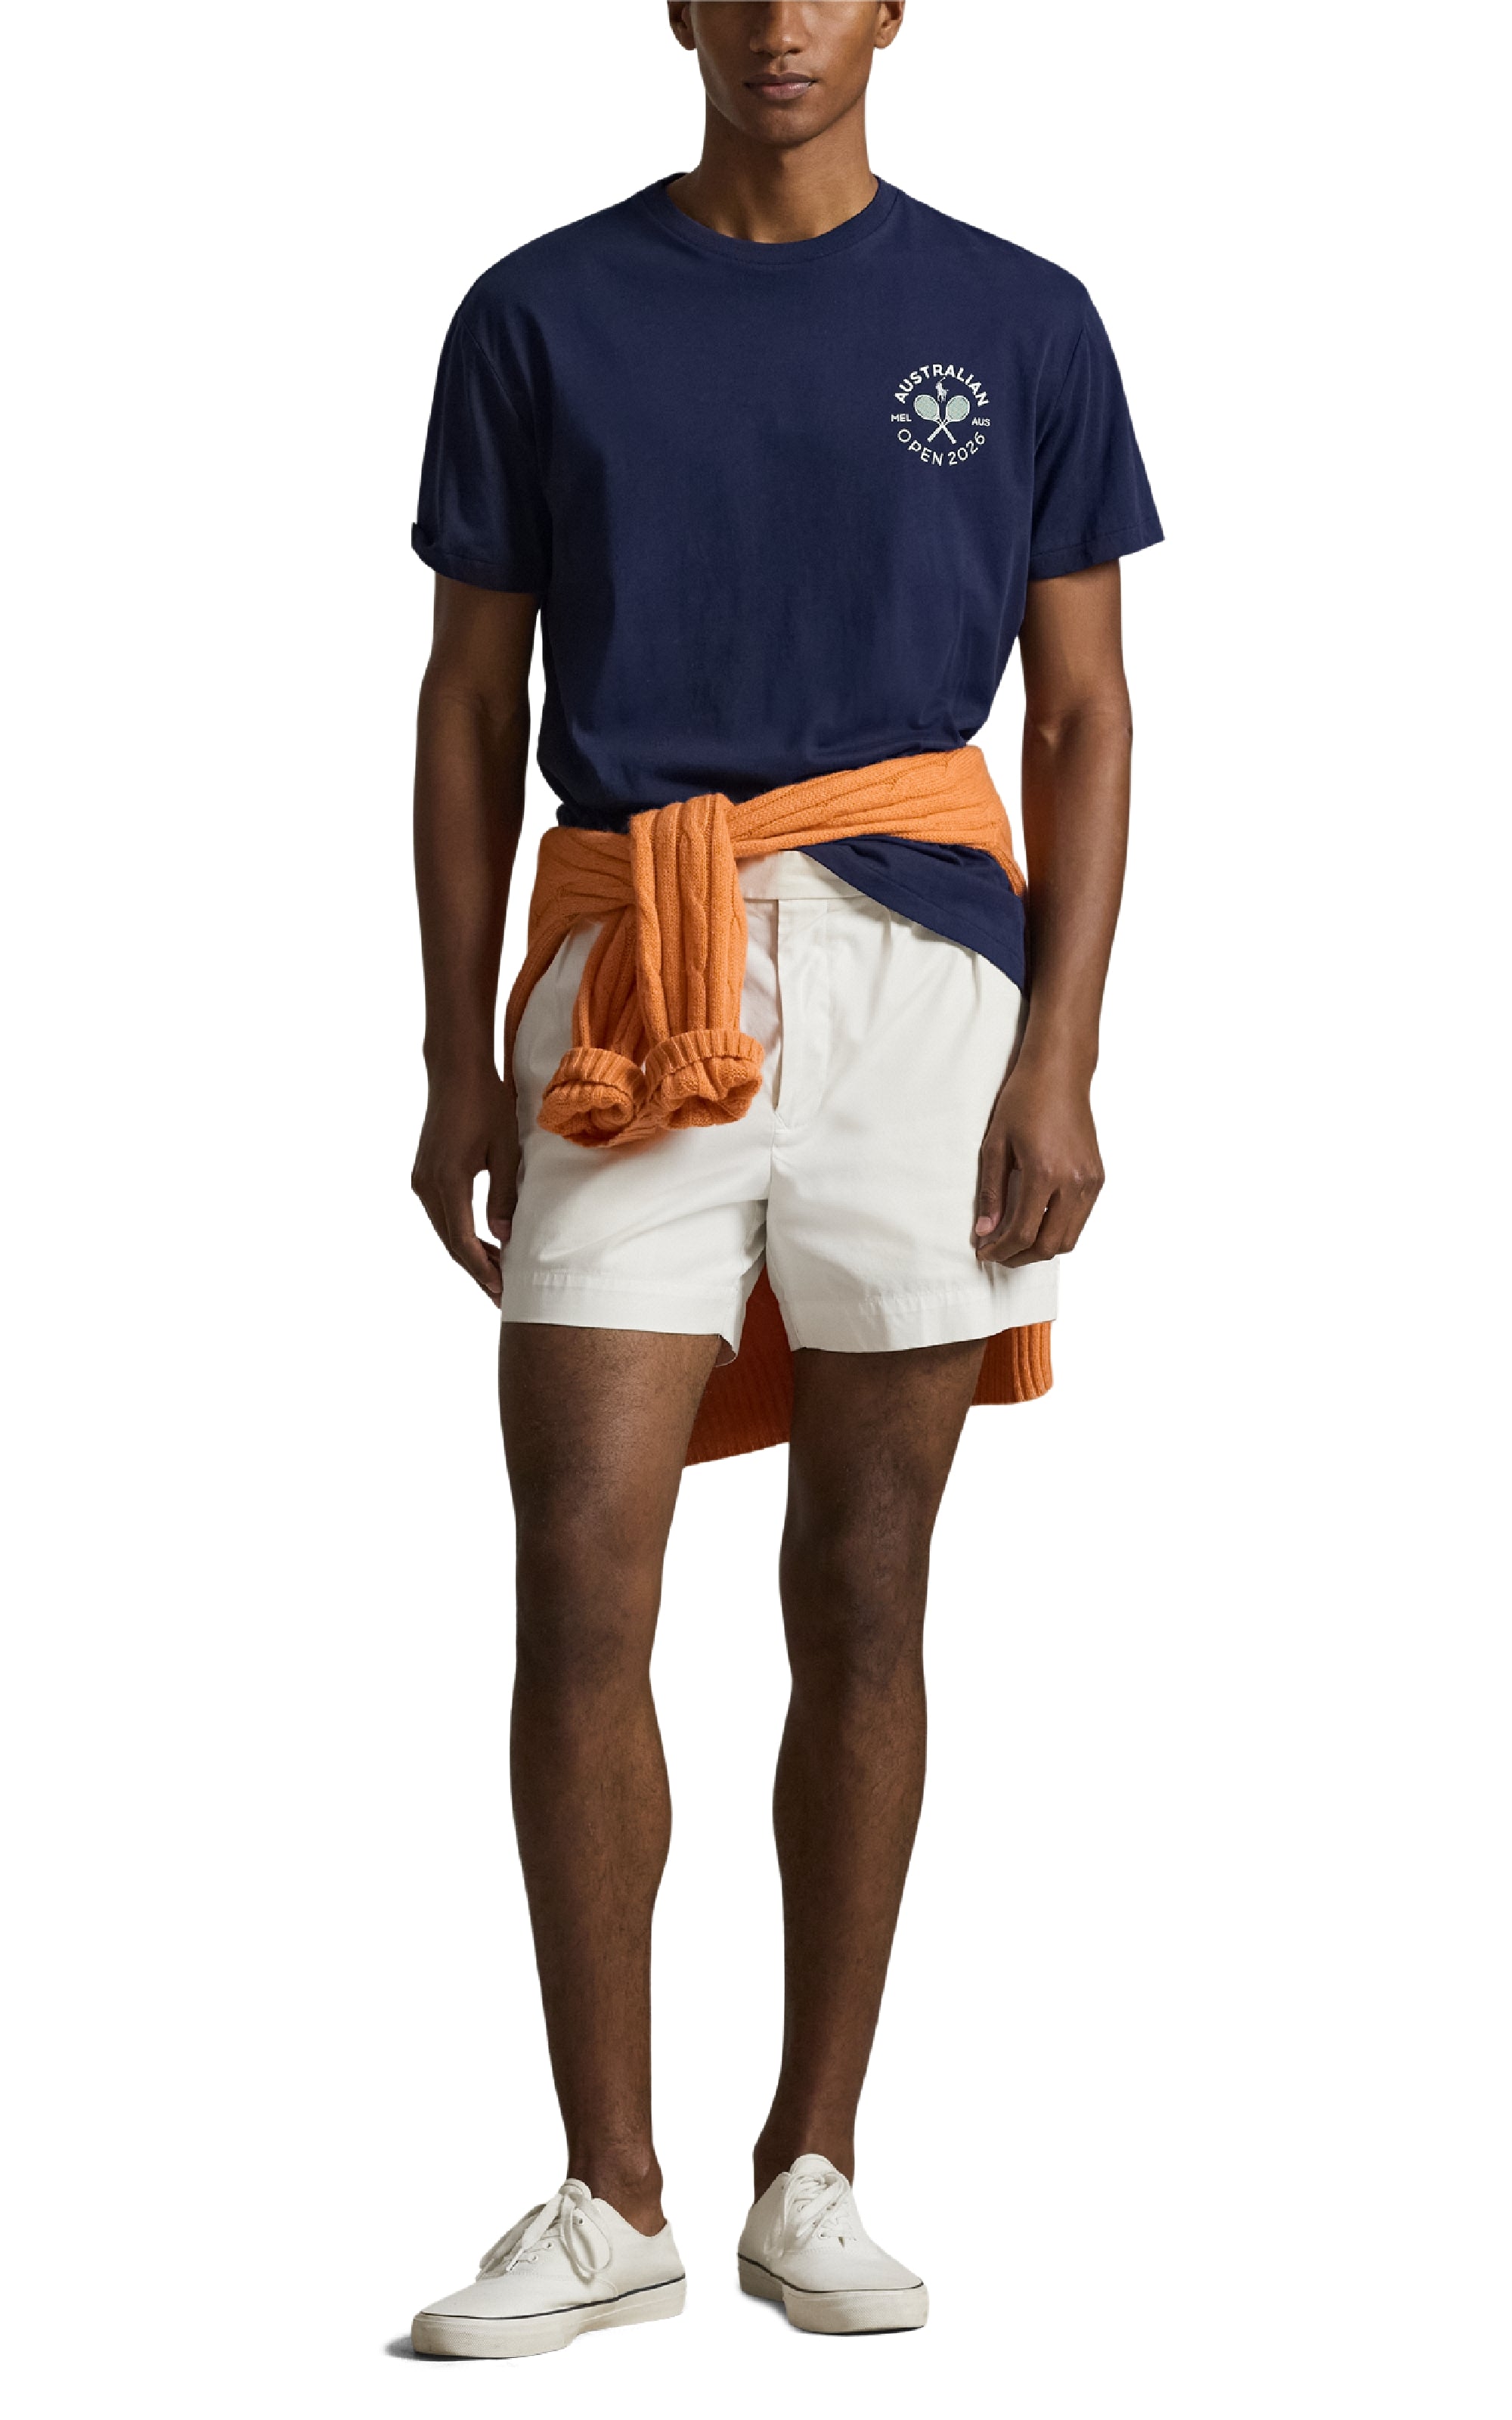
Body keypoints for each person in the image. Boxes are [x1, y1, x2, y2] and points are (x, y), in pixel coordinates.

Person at [405, 0, 1160, 2361]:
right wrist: (453, 1055)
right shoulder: (539, 311)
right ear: (677, 7)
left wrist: (1063, 1056)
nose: (780, 24)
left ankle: (810, 2163)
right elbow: (468, 705)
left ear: (894, 5)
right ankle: (607, 2193)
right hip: (629, 967)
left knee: (866, 1583)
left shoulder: (1019, 320)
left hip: (925, 986)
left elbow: (1084, 710)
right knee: (579, 1577)